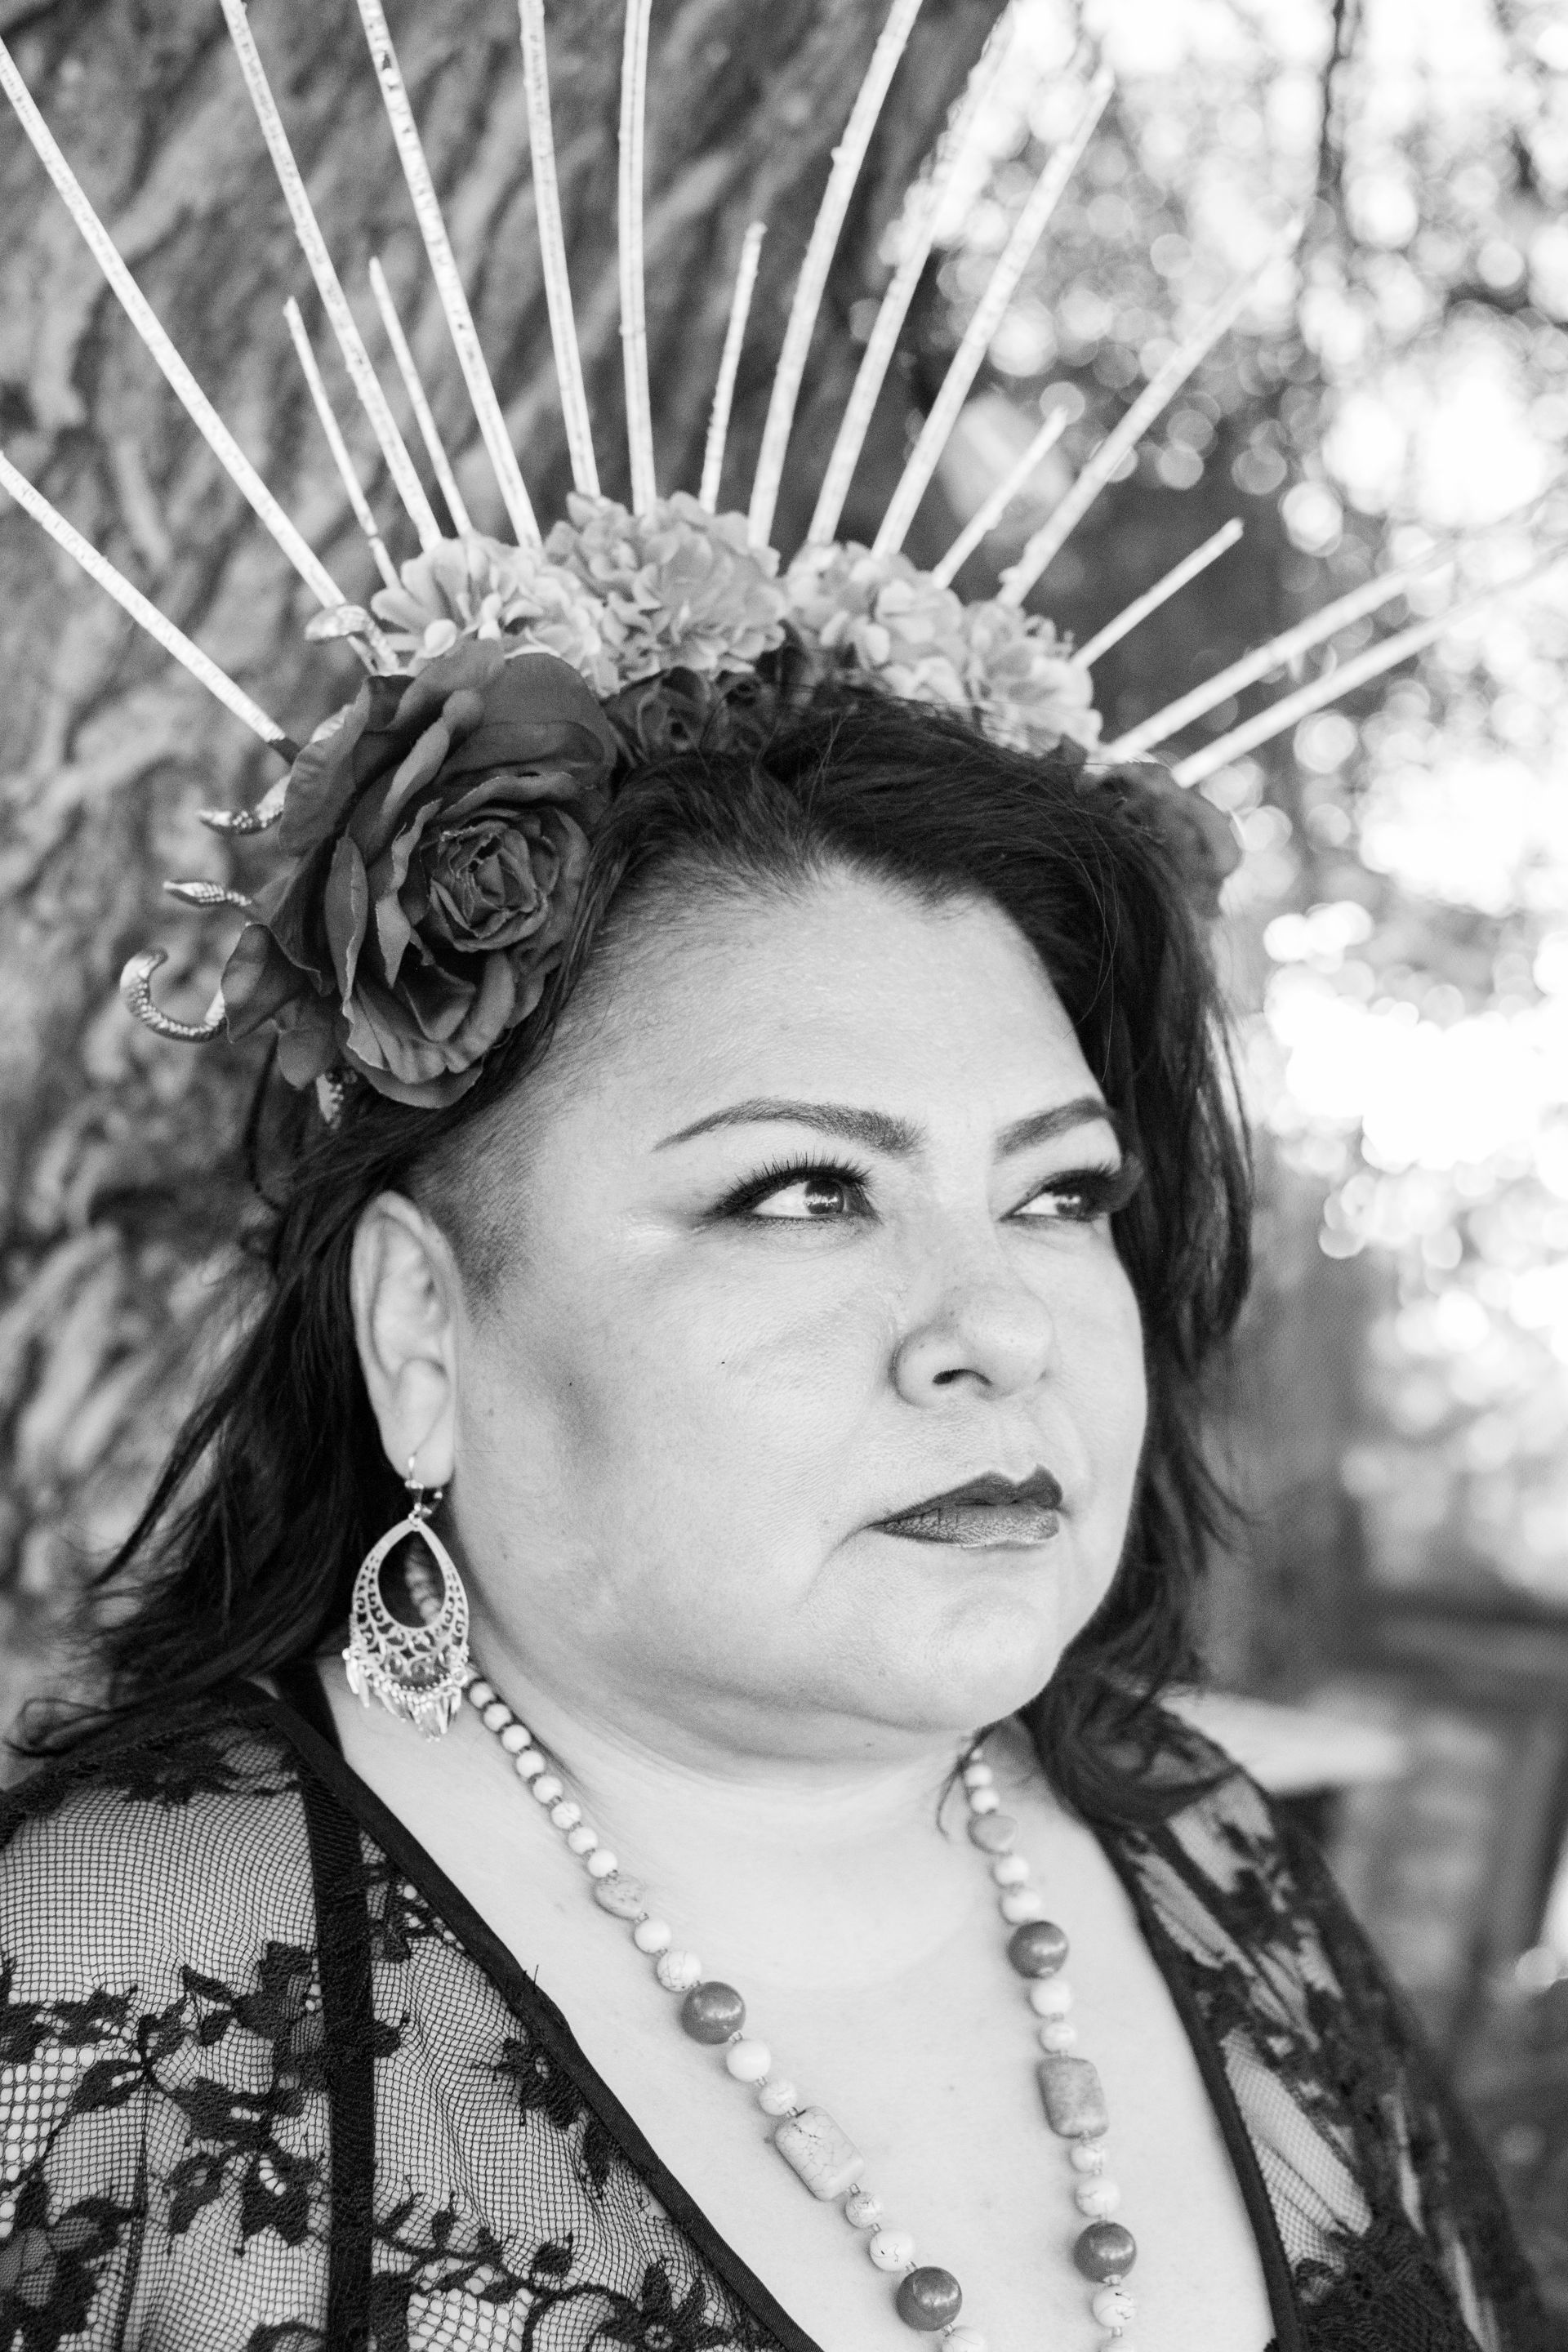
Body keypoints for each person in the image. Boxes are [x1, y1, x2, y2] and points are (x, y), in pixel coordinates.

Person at [0, 668, 1548, 2352]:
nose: (1002, 1328)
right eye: (806, 1193)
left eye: (1058, 1193)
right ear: (422, 1329)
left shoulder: (1210, 1847)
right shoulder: (111, 1980)